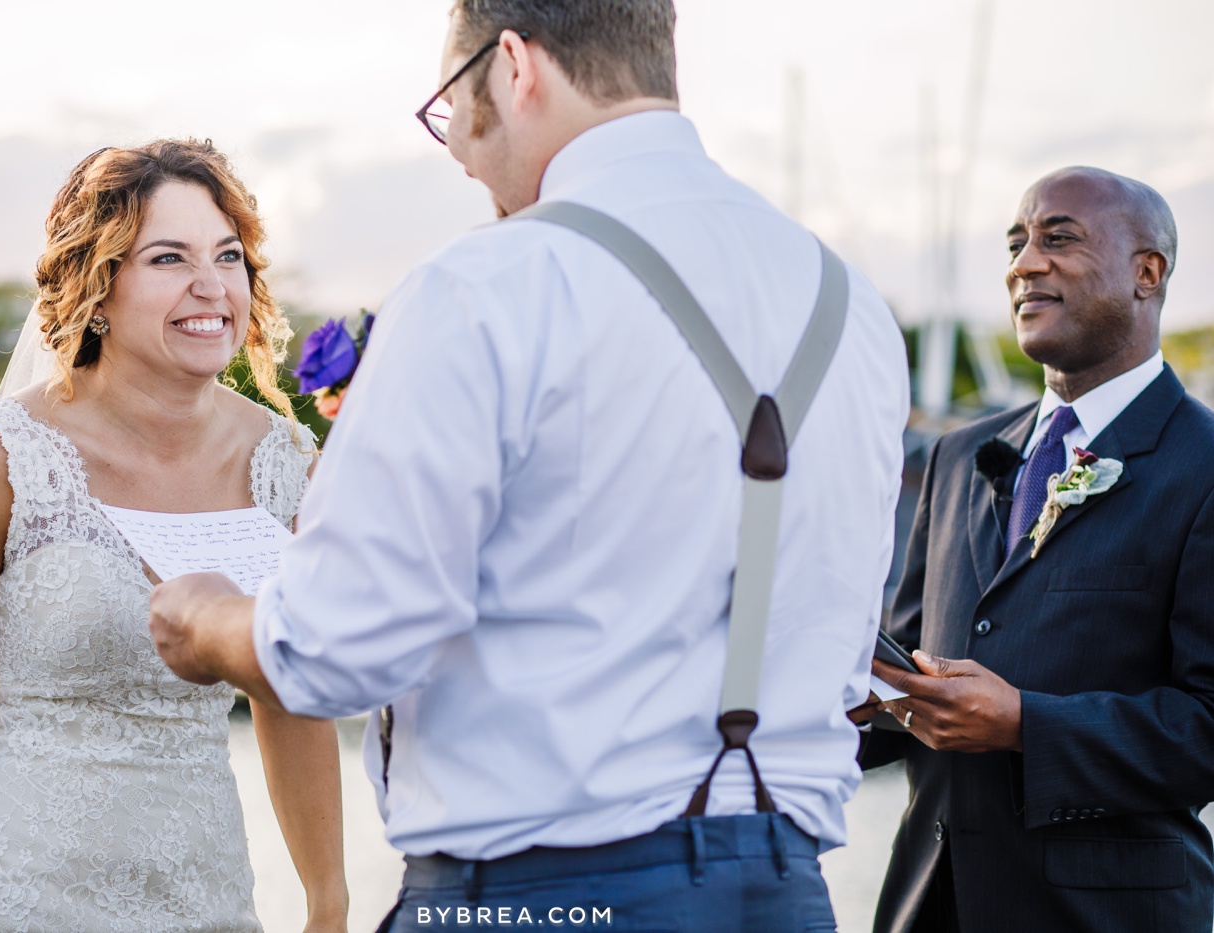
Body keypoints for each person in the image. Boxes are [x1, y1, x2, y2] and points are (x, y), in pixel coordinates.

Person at [150, 2, 909, 930]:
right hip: (788, 894)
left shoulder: (485, 286)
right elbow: (842, 655)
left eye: (450, 107)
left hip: (536, 895)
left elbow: (338, 650)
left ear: (513, 67)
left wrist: (207, 617)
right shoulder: (851, 303)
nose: (460, 154)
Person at [0, 140, 348, 932]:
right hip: (7, 892)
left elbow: (289, 696)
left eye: (228, 255)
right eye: (168, 257)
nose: (210, 285)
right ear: (97, 285)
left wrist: (328, 897)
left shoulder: (290, 468)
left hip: (203, 894)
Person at [859, 167, 1214, 933]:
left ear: (1146, 272)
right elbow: (910, 662)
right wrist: (862, 703)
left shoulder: (1205, 464)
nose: (1024, 263)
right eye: (1016, 242)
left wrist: (1026, 722)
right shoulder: (959, 455)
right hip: (930, 906)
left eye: (1059, 238)